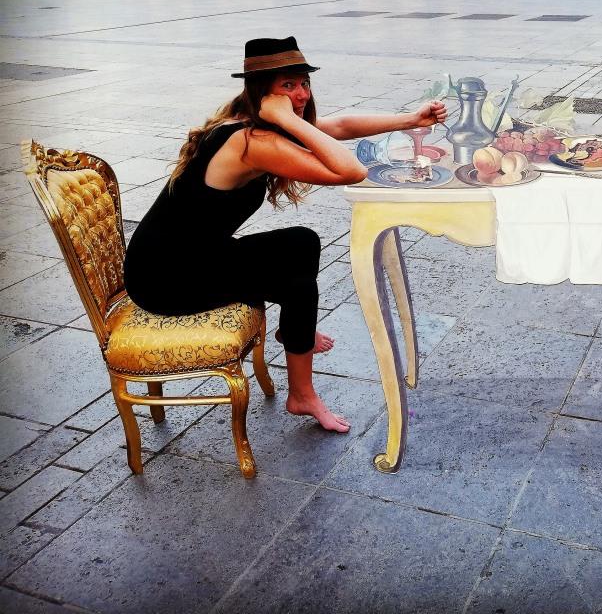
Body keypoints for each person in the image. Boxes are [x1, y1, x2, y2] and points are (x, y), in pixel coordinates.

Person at [123, 37, 448, 434]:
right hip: (166, 278)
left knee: (302, 243)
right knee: (297, 281)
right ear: (262, 93)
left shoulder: (253, 127)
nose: (300, 94)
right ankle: (302, 391)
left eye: (303, 84)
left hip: (186, 257)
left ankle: (296, 333)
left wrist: (410, 120)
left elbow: (340, 127)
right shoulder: (250, 141)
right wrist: (291, 120)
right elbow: (349, 171)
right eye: (287, 86)